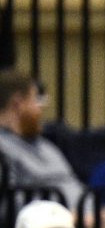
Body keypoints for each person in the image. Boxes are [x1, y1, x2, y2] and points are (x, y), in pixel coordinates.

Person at [0, 70, 85, 209]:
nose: (41, 109)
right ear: (17, 104)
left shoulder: (47, 146)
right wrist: (63, 219)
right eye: (35, 100)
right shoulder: (3, 150)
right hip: (50, 227)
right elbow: (9, 206)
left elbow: (72, 184)